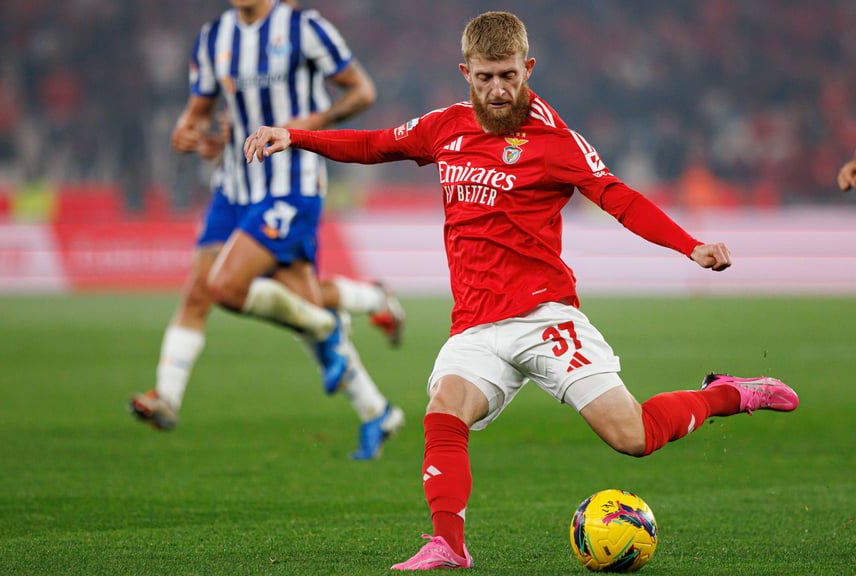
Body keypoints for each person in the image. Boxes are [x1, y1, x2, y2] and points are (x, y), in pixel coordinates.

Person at [245, 10, 799, 568]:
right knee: (444, 410)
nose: (497, 88)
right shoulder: (445, 126)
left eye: (508, 74)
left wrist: (690, 245)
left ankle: (730, 393)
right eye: (484, 77)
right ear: (466, 72)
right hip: (476, 326)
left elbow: (619, 198)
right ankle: (449, 543)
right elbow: (374, 144)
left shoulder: (555, 141)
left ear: (527, 67)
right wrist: (294, 136)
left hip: (544, 317)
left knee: (634, 437)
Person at [128, 0, 405, 461]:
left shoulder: (304, 28)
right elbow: (200, 112)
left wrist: (307, 127)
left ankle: (334, 325)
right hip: (233, 186)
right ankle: (376, 406)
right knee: (224, 293)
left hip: (290, 183)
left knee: (226, 285)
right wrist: (191, 132)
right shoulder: (214, 37)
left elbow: (362, 91)